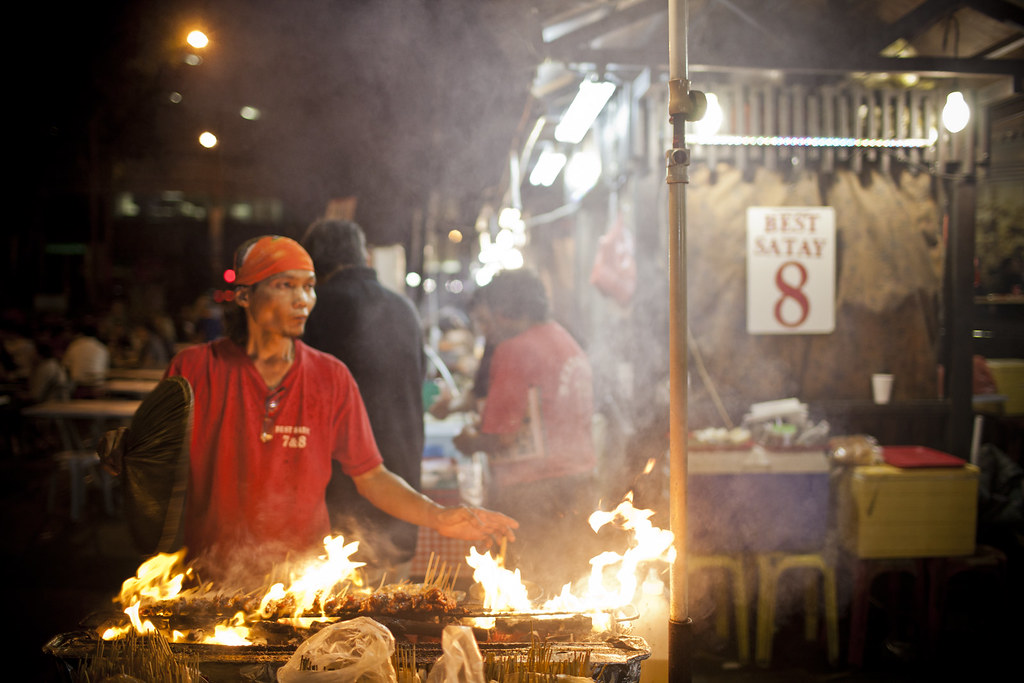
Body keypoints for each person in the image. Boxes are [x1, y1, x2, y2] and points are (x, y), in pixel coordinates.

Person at [160, 235, 516, 584]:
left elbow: (372, 477)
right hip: (210, 580)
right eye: (286, 286)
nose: (303, 300)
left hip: (302, 586)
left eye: (309, 286)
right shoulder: (193, 370)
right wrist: (127, 451)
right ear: (243, 295)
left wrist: (438, 516)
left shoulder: (330, 377)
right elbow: (157, 462)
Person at [452, 268, 596, 592]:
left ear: (503, 311)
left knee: (529, 596)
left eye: (486, 320)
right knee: (571, 589)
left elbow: (502, 435)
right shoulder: (564, 339)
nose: (487, 331)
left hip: (533, 497)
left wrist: (468, 442)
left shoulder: (514, 350)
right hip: (580, 486)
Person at [301, 218, 427, 580]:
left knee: (340, 628)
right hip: (402, 494)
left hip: (343, 502)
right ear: (363, 255)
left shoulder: (315, 310)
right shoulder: (404, 309)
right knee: (390, 623)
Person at [63, 317, 110, 398]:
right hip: (98, 388)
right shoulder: (101, 347)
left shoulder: (74, 346)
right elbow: (105, 370)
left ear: (81, 333)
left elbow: (66, 367)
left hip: (79, 388)